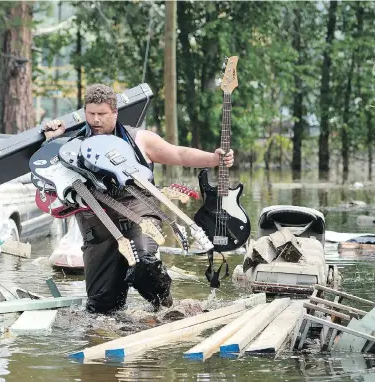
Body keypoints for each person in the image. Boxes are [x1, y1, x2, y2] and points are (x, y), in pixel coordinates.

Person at [42, 84, 235, 314]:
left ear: (115, 113)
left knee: (145, 264)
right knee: (102, 308)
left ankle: (166, 306)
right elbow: (49, 173)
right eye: (91, 114)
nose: (95, 120)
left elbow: (178, 154)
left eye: (102, 114)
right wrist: (51, 141)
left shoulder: (138, 139)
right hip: (99, 231)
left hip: (140, 219)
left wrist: (213, 159)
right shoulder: (70, 146)